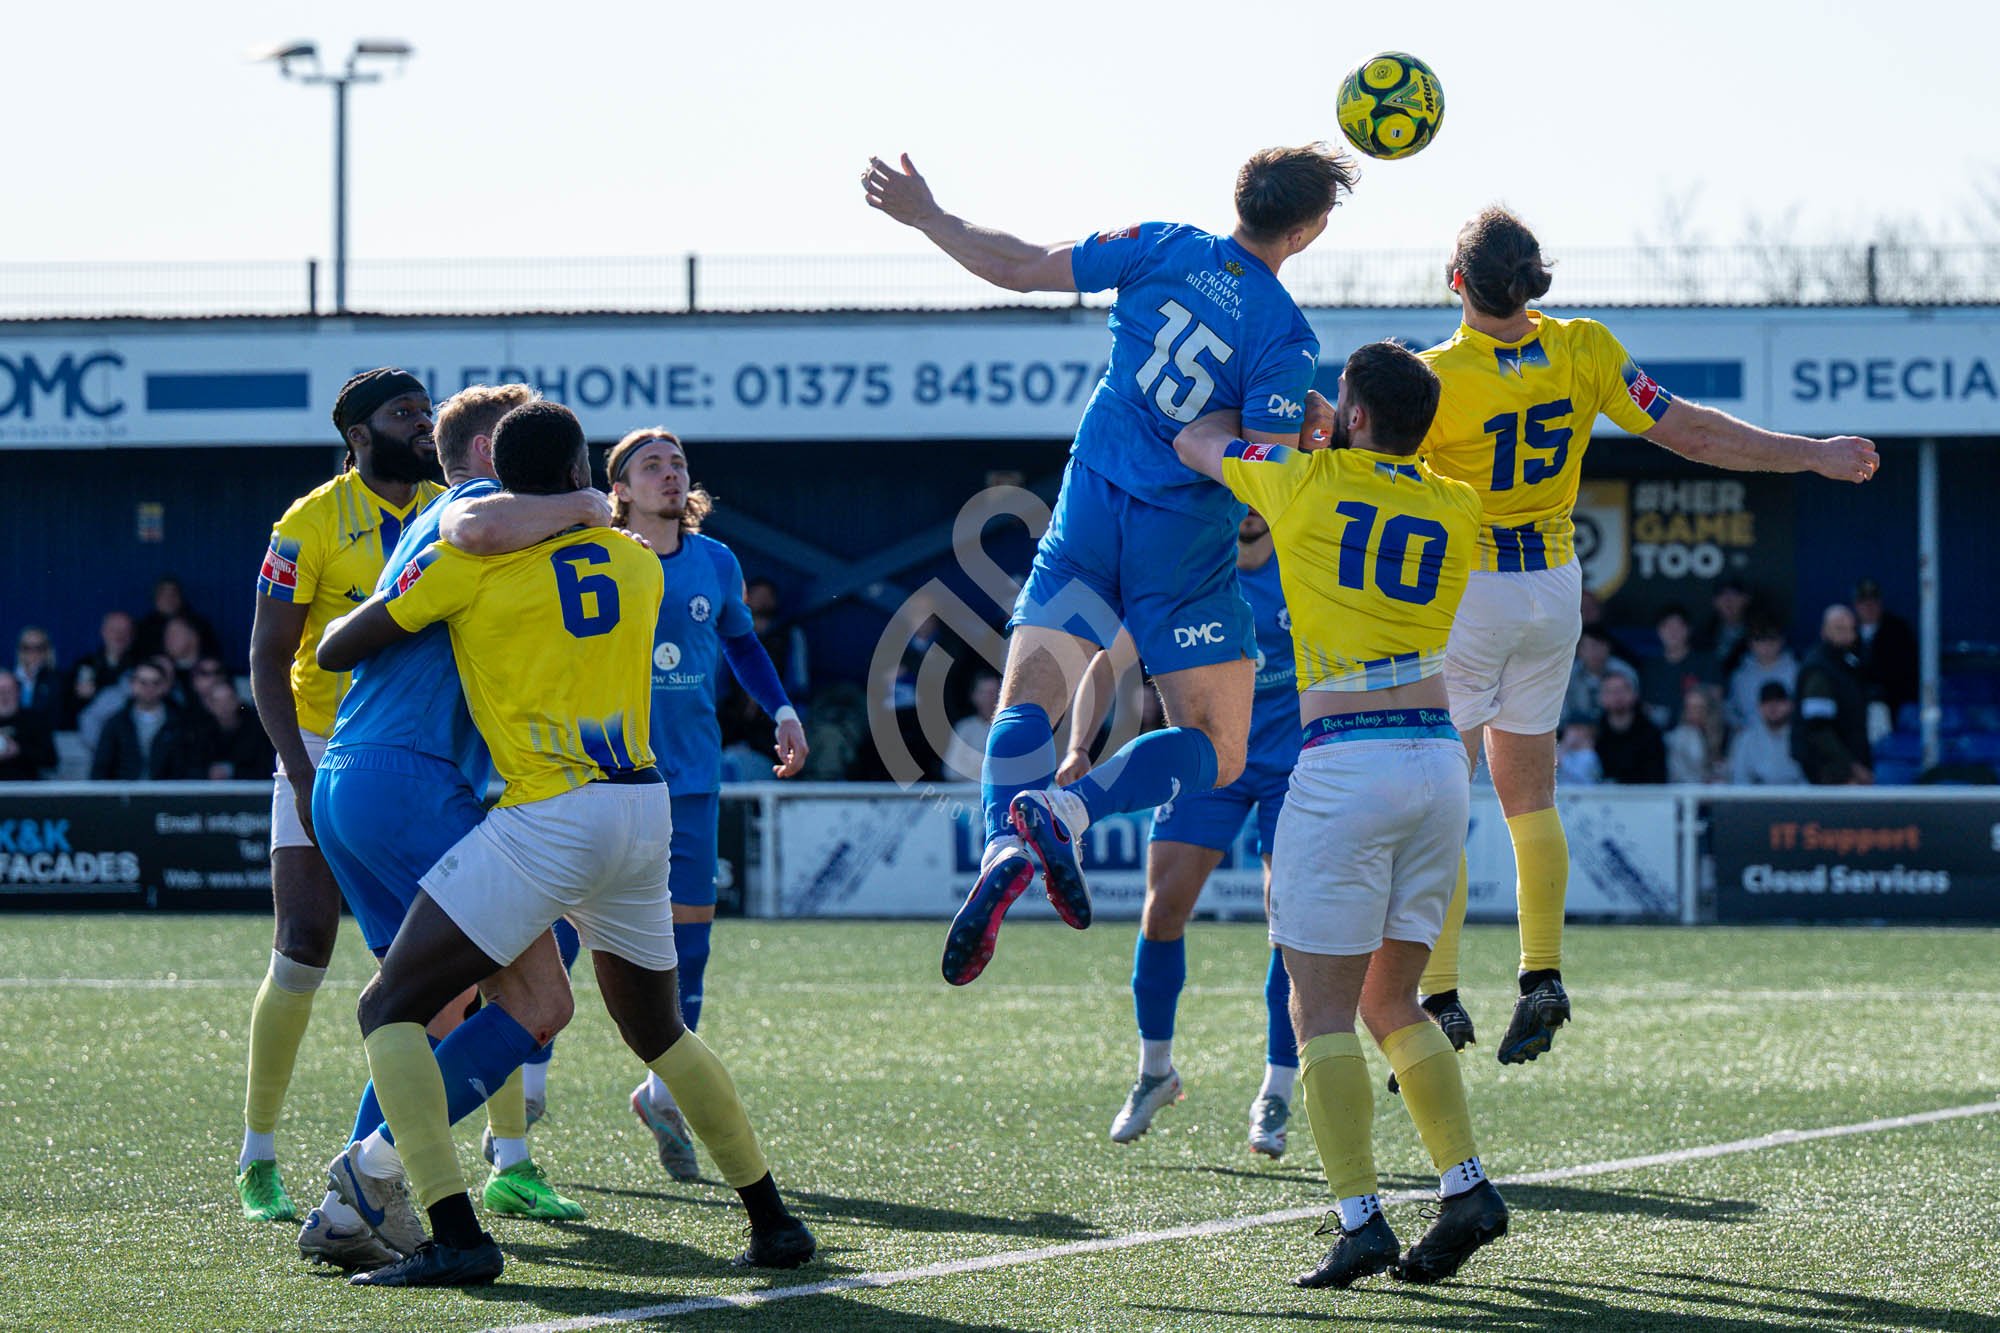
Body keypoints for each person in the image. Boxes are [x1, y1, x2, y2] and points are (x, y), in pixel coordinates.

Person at [317, 401, 814, 1287]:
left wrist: (425, 583)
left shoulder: (471, 561)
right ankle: (772, 1219)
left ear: (498, 476)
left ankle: (454, 1232)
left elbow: (341, 648)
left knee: (386, 1007)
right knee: (659, 1030)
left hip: (547, 817)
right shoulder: (637, 562)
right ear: (586, 471)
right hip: (642, 810)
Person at [865, 144, 1351, 984]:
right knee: (1218, 749)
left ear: (1238, 197)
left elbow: (1019, 265)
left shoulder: (1160, 244)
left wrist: (929, 216)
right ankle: (1068, 808)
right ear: (1304, 233)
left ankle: (999, 849)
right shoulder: (1284, 334)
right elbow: (1258, 472)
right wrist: (1304, 425)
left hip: (1090, 504)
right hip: (1182, 543)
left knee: (1026, 701)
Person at [1413, 206, 1878, 1066]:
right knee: (1531, 798)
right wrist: (1811, 454)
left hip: (1468, 590)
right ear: (1535, 278)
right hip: (1554, 589)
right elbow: (1692, 431)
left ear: (1456, 283)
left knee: (1446, 794)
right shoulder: (1587, 348)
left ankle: (1438, 997)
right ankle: (1540, 974)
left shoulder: (1434, 377)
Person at [1177, 341, 1505, 1290]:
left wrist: (1300, 418)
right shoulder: (1455, 498)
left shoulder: (1304, 482)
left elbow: (1200, 437)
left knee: (1316, 1005)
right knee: (1391, 999)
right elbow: (1389, 457)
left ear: (1351, 415)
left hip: (1344, 761)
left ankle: (1360, 1216)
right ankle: (1464, 1185)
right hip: (1437, 762)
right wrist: (1345, 421)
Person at [297, 384, 613, 1271]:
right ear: (486, 459)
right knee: (542, 995)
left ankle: (350, 1208)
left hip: (358, 776)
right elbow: (488, 529)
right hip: (410, 778)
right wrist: (589, 504)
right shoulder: (475, 508)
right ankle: (370, 1173)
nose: (572, 481)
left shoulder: (437, 528)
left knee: (427, 1005)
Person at [234, 368, 444, 1224]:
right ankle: (258, 1153)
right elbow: (265, 657)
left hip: (429, 745)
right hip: (325, 745)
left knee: (472, 947)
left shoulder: (456, 504)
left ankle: (511, 1159)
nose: (423, 424)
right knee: (305, 940)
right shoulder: (307, 522)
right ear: (358, 434)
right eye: (405, 413)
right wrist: (297, 765)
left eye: (428, 410)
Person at [602, 426, 808, 1183]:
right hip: (601, 773)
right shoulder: (597, 554)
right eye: (648, 464)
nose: (667, 473)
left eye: (676, 462)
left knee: (690, 944)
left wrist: (782, 709)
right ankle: (518, 1114)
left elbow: (743, 645)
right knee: (558, 937)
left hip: (688, 778)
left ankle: (661, 1093)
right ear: (618, 487)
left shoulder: (716, 561)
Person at [1061, 510, 1302, 1156]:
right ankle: (1154, 1071)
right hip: (1210, 762)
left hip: (1294, 764)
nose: (1251, 511)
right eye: (1237, 499)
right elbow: (1106, 664)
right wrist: (1080, 746)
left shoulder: (1309, 562)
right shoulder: (1189, 574)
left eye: (1260, 498)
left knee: (1287, 918)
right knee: (1162, 909)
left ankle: (1276, 1087)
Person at [1793, 604, 1874, 785]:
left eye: (1851, 630)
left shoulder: (1849, 665)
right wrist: (1852, 767)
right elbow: (1817, 729)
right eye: (1839, 629)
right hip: (1830, 773)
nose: (1847, 636)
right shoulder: (1819, 670)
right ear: (1824, 632)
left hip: (1850, 768)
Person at [88, 660, 204, 780]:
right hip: (125, 795)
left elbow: (191, 767)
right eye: (143, 682)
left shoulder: (181, 724)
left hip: (168, 795)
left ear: (165, 686)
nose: (149, 688)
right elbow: (100, 769)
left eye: (155, 683)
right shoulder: (115, 724)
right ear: (132, 684)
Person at [1639, 604, 1718, 730]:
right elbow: (1645, 706)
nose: (1673, 632)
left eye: (1678, 626)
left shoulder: (1706, 662)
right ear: (1659, 630)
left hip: (1697, 732)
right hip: (1659, 735)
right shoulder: (1650, 666)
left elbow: (1715, 699)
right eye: (1667, 626)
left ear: (1689, 630)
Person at [1853, 577, 1918, 720]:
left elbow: (1907, 671)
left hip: (1892, 704)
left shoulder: (1898, 630)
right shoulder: (1848, 631)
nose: (1869, 607)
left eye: (1873, 602)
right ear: (1857, 605)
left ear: (1880, 603)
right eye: (1864, 603)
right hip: (1855, 703)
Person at [65, 610, 137, 727]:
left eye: (125, 631)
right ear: (103, 632)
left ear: (132, 636)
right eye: (114, 630)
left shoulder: (140, 667)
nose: (119, 635)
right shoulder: (85, 664)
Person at [198, 676, 276, 781]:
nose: (224, 707)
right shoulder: (198, 732)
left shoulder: (256, 730)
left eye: (228, 700)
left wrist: (232, 772)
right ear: (209, 705)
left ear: (237, 701)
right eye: (218, 702)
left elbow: (263, 767)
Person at [1593, 673, 1667, 784]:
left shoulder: (1651, 733)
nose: (1617, 696)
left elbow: (1657, 776)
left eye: (1622, 690)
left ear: (1634, 694)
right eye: (1610, 691)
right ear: (1601, 698)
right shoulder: (1594, 733)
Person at [1728, 681, 1806, 785]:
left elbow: (1807, 779)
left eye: (1778, 701)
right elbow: (1740, 779)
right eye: (1767, 702)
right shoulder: (1746, 739)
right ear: (1759, 707)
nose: (1773, 707)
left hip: (1797, 798)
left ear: (1790, 705)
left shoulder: (1803, 737)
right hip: (1757, 798)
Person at [133, 574, 225, 663]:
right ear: (155, 599)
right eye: (163, 594)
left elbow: (213, 659)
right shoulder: (143, 628)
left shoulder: (199, 625)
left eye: (173, 594)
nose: (169, 598)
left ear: (180, 597)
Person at [1725, 622, 1799, 731]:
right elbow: (1730, 709)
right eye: (1760, 640)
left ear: (1782, 641)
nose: (1766, 645)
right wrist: (1740, 728)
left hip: (1789, 736)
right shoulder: (1740, 676)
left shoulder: (1797, 671)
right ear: (1750, 643)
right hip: (1749, 737)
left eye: (1772, 639)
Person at [1562, 626, 1638, 722]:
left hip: (1615, 724)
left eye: (1600, 646)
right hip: (1579, 726)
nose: (1595, 652)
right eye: (1591, 647)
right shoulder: (1568, 674)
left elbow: (1633, 704)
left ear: (1609, 648)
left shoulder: (1625, 672)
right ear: (1579, 650)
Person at [942, 670, 1001, 783]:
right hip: (968, 794)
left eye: (993, 693)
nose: (988, 698)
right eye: (983, 693)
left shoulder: (1010, 727)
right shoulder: (965, 728)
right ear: (974, 696)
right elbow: (950, 771)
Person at [0, 673, 56, 781]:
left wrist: (19, 751)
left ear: (18, 693)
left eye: (9, 691)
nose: (4, 696)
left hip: (25, 788)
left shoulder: (35, 720)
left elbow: (51, 759)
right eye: (0, 691)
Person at [1662, 687, 1725, 784]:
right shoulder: (1678, 737)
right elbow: (1678, 775)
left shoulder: (1723, 734)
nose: (1692, 713)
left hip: (1720, 793)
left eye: (1698, 708)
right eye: (1688, 707)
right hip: (1689, 793)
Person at [12, 627, 62, 725]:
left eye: (39, 648)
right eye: (27, 648)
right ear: (19, 650)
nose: (33, 653)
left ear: (47, 651)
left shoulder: (58, 681)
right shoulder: (7, 680)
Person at [1554, 717, 1602, 787]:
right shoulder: (1565, 751)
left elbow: (1578, 777)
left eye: (1578, 729)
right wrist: (1566, 744)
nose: (1573, 734)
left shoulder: (1590, 755)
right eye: (1571, 729)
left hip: (1587, 795)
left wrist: (1566, 744)